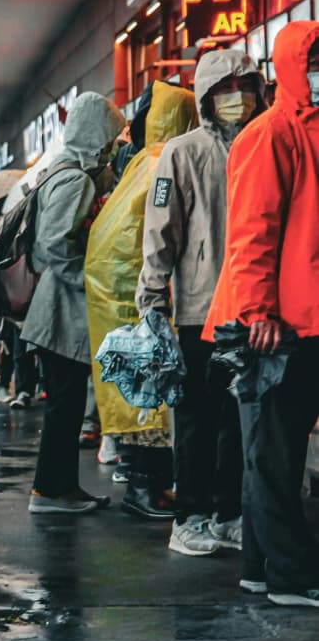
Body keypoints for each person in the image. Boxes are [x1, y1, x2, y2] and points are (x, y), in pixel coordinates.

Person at [204, 21, 319, 605]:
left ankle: (260, 564)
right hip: (277, 324)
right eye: (316, 59)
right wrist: (257, 312)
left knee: (272, 449)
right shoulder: (271, 133)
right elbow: (252, 232)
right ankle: (291, 576)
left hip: (304, 318)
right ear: (292, 66)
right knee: (274, 452)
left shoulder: (305, 131)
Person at [137, 50, 265, 556]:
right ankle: (188, 516)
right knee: (195, 417)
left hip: (251, 306)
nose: (239, 95)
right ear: (208, 94)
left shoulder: (264, 143)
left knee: (237, 417)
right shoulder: (181, 152)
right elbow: (160, 228)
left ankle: (228, 513)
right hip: (198, 307)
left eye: (246, 83)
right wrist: (152, 295)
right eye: (227, 85)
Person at [85, 81, 198, 520]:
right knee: (152, 402)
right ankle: (145, 489)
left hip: (116, 292)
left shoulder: (141, 162)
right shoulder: (162, 164)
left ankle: (142, 482)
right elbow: (159, 234)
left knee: (141, 398)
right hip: (136, 296)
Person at [21, 91, 124, 513]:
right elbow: (54, 242)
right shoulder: (74, 179)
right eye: (110, 137)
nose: (113, 146)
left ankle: (63, 488)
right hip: (61, 310)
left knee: (65, 403)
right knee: (64, 405)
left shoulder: (61, 169)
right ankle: (48, 491)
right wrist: (89, 279)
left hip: (55, 311)